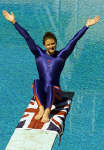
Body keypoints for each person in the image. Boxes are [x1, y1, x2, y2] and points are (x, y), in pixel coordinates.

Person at [2, 10, 100, 123]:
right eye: (48, 44)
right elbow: (27, 37)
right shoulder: (38, 54)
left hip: (56, 93)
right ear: (44, 45)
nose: (51, 46)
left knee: (50, 87)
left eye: (53, 43)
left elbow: (74, 41)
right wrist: (14, 22)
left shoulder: (61, 56)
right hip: (42, 93)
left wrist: (86, 26)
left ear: (56, 43)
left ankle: (47, 111)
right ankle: (41, 108)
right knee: (36, 82)